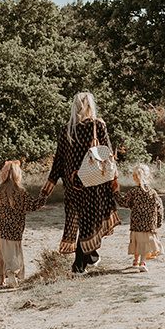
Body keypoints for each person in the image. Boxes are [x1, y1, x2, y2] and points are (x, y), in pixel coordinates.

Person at [41, 91, 118, 275]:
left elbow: (58, 161)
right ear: (90, 106)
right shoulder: (97, 125)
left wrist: (48, 188)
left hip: (72, 182)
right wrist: (114, 182)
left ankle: (90, 255)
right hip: (93, 182)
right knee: (89, 222)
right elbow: (108, 154)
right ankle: (79, 265)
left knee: (82, 220)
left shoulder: (67, 129)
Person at [0, 159, 48, 287]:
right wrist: (43, 196)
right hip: (15, 231)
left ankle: (1, 278)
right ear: (18, 175)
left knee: (1, 255)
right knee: (13, 255)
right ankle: (11, 274)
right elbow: (34, 205)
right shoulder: (21, 193)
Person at [116, 162, 164, 271]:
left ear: (134, 177)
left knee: (136, 241)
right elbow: (159, 208)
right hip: (149, 224)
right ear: (149, 176)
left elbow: (123, 202)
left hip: (136, 223)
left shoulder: (133, 192)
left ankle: (136, 262)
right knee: (145, 243)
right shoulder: (153, 193)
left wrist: (115, 193)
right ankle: (142, 263)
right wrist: (159, 222)